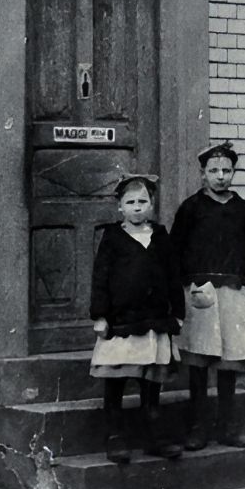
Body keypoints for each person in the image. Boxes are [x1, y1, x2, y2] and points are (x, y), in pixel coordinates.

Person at [170, 141, 245, 450]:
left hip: (233, 292)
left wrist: (244, 279)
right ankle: (198, 427)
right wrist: (187, 283)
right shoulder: (191, 208)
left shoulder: (242, 209)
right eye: (214, 171)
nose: (220, 176)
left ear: (233, 172)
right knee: (200, 360)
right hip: (201, 293)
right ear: (203, 173)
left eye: (226, 170)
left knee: (228, 362)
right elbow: (177, 248)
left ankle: (227, 427)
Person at [90, 173, 186, 463]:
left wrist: (177, 313)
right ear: (120, 206)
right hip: (122, 322)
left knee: (151, 383)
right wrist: (100, 315)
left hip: (154, 322)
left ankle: (153, 436)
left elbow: (173, 277)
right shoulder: (112, 238)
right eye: (130, 202)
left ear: (151, 205)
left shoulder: (160, 236)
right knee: (116, 380)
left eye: (142, 201)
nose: (136, 207)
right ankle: (115, 437)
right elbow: (100, 279)